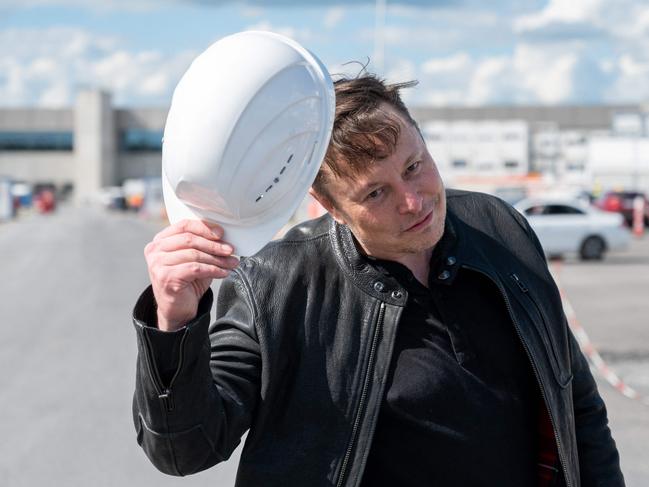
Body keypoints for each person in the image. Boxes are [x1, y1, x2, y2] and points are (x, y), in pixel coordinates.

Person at [132, 74, 625, 487]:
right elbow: (186, 450)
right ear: (330, 207)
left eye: (415, 165)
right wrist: (175, 322)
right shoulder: (275, 282)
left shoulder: (500, 227)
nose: (414, 201)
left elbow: (576, 402)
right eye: (376, 192)